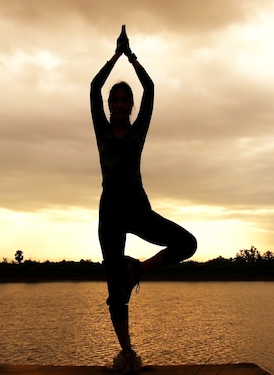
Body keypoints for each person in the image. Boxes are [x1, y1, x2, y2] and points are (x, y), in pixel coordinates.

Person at [90, 26, 197, 374]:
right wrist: (114, 56)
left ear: (131, 106)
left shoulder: (138, 130)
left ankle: (136, 269)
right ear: (108, 106)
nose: (120, 104)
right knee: (114, 290)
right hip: (110, 213)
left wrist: (131, 57)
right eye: (115, 100)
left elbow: (150, 88)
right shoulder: (102, 129)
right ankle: (128, 353)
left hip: (138, 207)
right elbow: (93, 87)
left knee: (187, 243)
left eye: (125, 100)